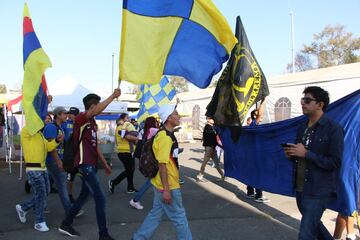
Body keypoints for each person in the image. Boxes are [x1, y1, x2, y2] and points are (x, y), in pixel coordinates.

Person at [283, 86, 344, 240]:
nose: (303, 103)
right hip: (300, 187)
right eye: (302, 100)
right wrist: (292, 154)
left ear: (320, 104)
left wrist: (306, 154)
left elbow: (335, 162)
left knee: (306, 234)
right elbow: (300, 153)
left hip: (319, 190)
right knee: (314, 226)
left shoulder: (333, 129)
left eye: (308, 100)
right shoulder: (302, 127)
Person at [59, 89, 120, 240]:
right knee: (100, 198)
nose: (100, 108)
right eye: (97, 105)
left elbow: (95, 146)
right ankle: (103, 234)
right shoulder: (81, 119)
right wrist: (112, 96)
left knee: (83, 197)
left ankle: (66, 223)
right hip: (84, 164)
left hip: (91, 165)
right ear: (92, 107)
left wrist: (104, 164)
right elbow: (96, 110)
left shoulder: (92, 124)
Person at [133, 104, 192, 240]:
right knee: (179, 217)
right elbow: (162, 164)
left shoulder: (163, 134)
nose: (179, 116)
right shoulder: (165, 137)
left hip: (158, 183)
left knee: (155, 214)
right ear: (168, 118)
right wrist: (166, 189)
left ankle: (138, 238)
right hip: (168, 185)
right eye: (176, 114)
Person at [16, 125, 63, 232]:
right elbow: (33, 119)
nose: (47, 120)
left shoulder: (41, 134)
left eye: (48, 119)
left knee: (46, 192)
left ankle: (23, 207)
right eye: (44, 119)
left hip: (42, 168)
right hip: (34, 169)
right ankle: (39, 222)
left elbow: (48, 147)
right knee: (41, 194)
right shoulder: (27, 131)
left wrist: (56, 140)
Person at [43, 106, 73, 213]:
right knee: (62, 185)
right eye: (64, 114)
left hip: (56, 161)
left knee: (46, 187)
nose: (67, 115)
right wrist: (59, 161)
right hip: (52, 161)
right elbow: (52, 148)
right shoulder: (51, 127)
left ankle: (35, 205)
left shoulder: (60, 127)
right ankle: (69, 210)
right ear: (58, 115)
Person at [129, 116, 160, 210]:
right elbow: (165, 132)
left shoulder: (143, 131)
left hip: (146, 158)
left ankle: (162, 201)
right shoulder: (154, 130)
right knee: (152, 181)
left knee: (157, 181)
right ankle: (135, 199)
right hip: (154, 159)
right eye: (155, 121)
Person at [246, 101, 270, 203]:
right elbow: (260, 113)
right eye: (259, 115)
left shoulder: (252, 125)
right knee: (258, 174)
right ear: (255, 116)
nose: (262, 116)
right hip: (255, 155)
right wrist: (263, 102)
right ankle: (258, 195)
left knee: (251, 173)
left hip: (252, 154)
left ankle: (250, 192)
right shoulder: (254, 124)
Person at [108, 113, 138, 194]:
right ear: (123, 119)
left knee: (130, 170)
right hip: (124, 152)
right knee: (129, 170)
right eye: (127, 118)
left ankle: (130, 188)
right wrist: (138, 138)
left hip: (128, 152)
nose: (129, 119)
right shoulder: (121, 127)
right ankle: (113, 182)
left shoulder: (124, 127)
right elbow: (127, 137)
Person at [197, 117, 225, 182]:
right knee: (204, 162)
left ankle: (223, 176)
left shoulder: (213, 127)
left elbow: (217, 134)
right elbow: (213, 134)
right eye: (212, 119)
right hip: (209, 147)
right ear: (208, 120)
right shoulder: (207, 127)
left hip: (213, 148)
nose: (213, 120)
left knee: (217, 163)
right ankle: (200, 177)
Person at [61, 107, 80, 203]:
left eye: (72, 114)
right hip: (69, 152)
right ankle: (69, 194)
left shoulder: (80, 124)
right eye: (69, 114)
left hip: (79, 152)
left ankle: (87, 192)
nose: (70, 115)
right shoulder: (65, 124)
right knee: (70, 174)